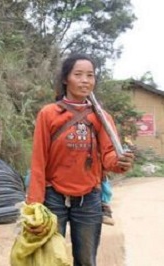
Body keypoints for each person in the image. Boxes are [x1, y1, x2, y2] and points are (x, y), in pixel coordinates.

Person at [26, 53, 134, 266]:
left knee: (86, 260)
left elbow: (109, 156)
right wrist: (34, 205)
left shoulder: (102, 117)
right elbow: (39, 161)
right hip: (53, 197)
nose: (85, 80)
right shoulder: (49, 114)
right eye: (78, 74)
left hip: (89, 199)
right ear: (66, 78)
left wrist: (121, 162)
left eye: (90, 75)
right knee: (48, 259)